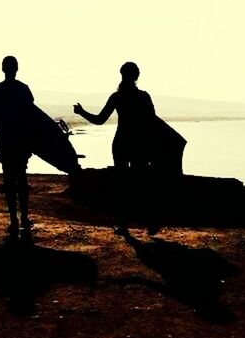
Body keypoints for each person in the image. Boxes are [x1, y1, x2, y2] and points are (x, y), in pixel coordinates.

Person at [74, 61, 185, 235]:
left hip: (121, 143)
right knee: (142, 183)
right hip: (139, 144)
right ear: (137, 76)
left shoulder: (117, 97)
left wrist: (81, 112)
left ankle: (123, 224)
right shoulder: (143, 97)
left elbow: (99, 120)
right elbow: (152, 121)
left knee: (122, 184)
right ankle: (151, 222)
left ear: (122, 75)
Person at [0, 55, 34, 238]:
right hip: (19, 141)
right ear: (17, 69)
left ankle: (14, 220)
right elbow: (32, 116)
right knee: (21, 180)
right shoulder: (23, 90)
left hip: (6, 141)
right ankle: (23, 218)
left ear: (3, 69)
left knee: (9, 182)